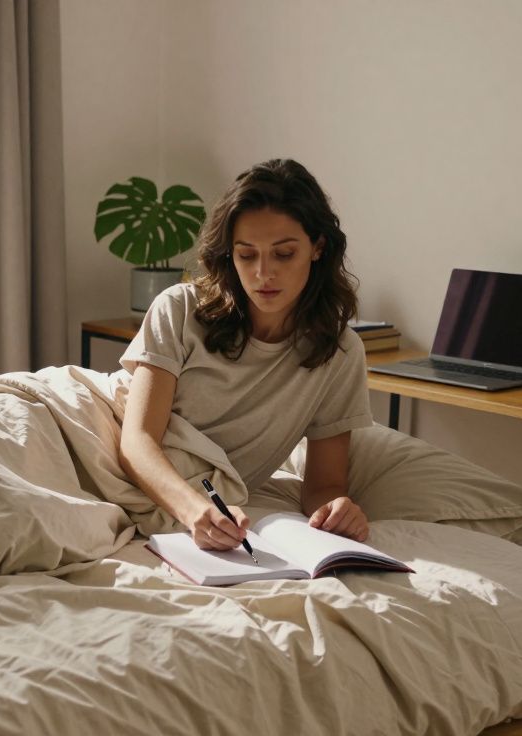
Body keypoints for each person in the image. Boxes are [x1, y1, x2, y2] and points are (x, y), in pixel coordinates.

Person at [117, 158, 373, 553]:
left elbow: (323, 485)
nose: (262, 274)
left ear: (318, 248)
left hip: (187, 500)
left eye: (283, 254)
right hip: (97, 437)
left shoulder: (338, 353)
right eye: (246, 255)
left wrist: (336, 510)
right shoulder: (180, 309)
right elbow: (137, 439)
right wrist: (194, 511)